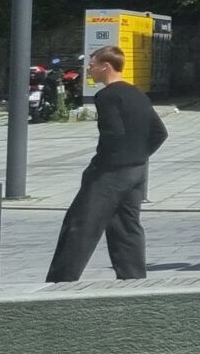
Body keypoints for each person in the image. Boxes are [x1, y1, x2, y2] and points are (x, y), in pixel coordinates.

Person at [46, 45, 166, 282]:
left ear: (106, 66)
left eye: (91, 64)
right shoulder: (137, 93)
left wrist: (100, 165)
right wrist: (138, 156)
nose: (88, 69)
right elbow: (159, 132)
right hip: (137, 171)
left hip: (110, 173)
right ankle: (133, 280)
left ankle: (60, 282)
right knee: (126, 226)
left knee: (80, 224)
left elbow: (113, 134)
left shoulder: (107, 96)